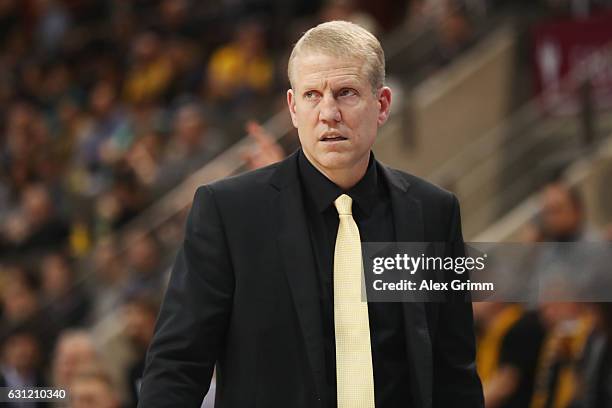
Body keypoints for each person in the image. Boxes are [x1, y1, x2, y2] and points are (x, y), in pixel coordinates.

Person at [138, 20, 483, 408]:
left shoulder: (433, 212)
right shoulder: (230, 214)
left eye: (346, 93)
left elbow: (455, 373)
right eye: (313, 95)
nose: (328, 113)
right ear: (293, 108)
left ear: (382, 104)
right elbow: (177, 366)